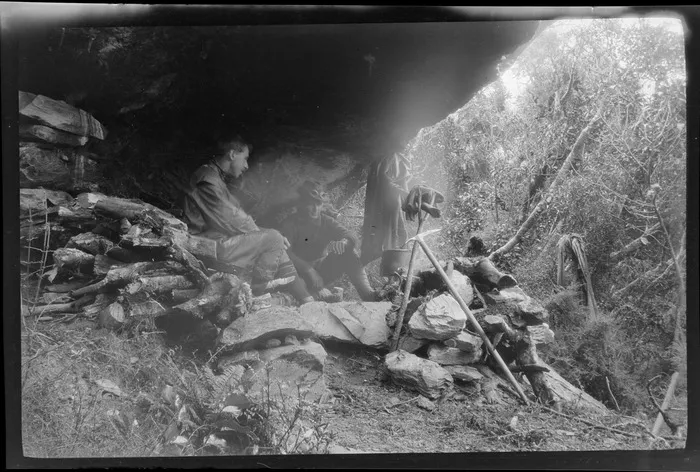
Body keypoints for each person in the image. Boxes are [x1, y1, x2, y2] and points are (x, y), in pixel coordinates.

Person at [182, 136, 314, 304]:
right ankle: (259, 289)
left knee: (274, 238)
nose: (246, 166)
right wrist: (269, 237)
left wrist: (267, 236)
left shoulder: (212, 176)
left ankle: (305, 297)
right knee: (274, 238)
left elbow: (234, 218)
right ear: (231, 154)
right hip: (205, 246)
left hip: (213, 241)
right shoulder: (208, 180)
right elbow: (232, 218)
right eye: (244, 158)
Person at [279, 180, 378, 302]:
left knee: (350, 253)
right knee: (296, 284)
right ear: (302, 204)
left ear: (323, 205)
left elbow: (351, 235)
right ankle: (316, 295)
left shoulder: (326, 221)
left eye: (318, 204)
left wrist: (344, 242)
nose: (315, 209)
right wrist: (308, 270)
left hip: (321, 271)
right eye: (310, 204)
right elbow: (284, 253)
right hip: (298, 273)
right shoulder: (290, 224)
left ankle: (368, 294)